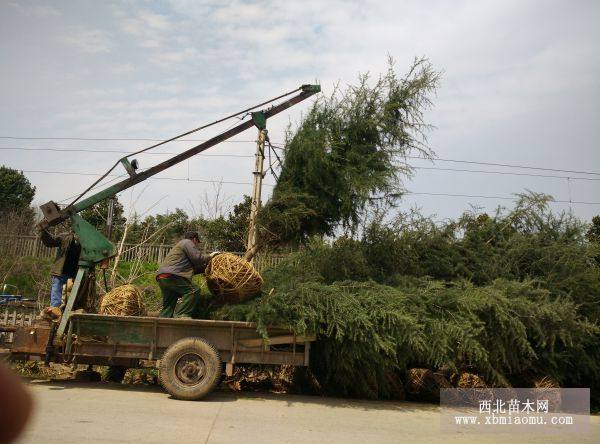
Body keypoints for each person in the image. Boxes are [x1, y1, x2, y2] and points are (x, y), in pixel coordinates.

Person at [156, 231, 216, 319]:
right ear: (195, 239)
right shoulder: (187, 242)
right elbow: (197, 258)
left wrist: (206, 269)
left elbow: (191, 269)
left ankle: (163, 321)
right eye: (197, 243)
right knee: (193, 291)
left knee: (169, 303)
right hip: (173, 275)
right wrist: (210, 256)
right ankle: (181, 314)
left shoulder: (179, 249)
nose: (196, 246)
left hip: (163, 276)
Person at [40, 229, 81, 308]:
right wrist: (43, 232)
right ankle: (54, 310)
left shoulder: (83, 240)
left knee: (71, 295)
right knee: (56, 291)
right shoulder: (64, 236)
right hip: (60, 271)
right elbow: (50, 242)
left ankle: (69, 310)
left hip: (73, 273)